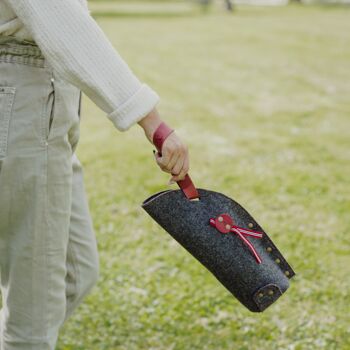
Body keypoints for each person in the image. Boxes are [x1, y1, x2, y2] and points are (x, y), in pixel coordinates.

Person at [0, 0, 189, 349]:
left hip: (45, 100)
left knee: (77, 272)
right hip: (23, 95)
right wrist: (151, 119)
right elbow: (65, 24)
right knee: (34, 317)